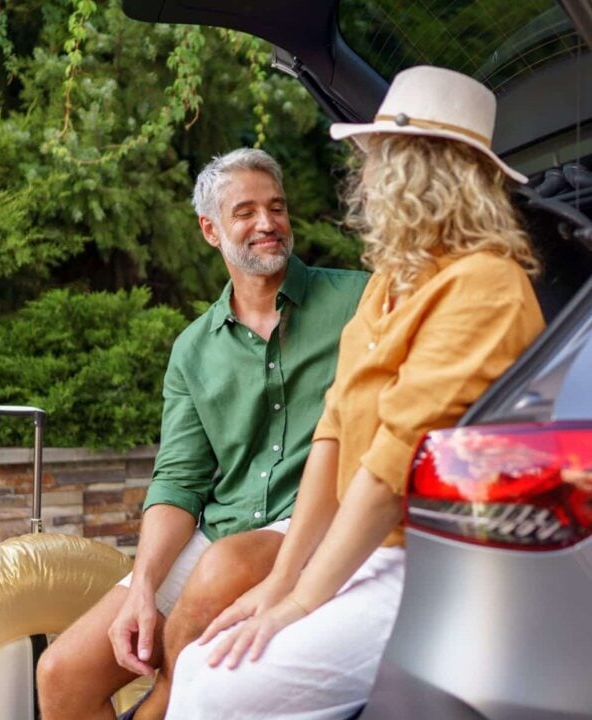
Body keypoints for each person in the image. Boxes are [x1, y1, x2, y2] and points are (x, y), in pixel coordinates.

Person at [163, 65, 546, 719]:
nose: (361, 179)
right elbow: (334, 433)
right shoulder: (388, 284)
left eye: (373, 160)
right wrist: (283, 581)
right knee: (202, 658)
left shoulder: (485, 285)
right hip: (367, 549)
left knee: (219, 688)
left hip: (436, 569)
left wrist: (301, 603)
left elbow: (390, 467)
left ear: (415, 172)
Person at [36, 148, 368, 720]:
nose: (267, 223)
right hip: (223, 532)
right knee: (61, 674)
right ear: (210, 230)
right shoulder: (194, 347)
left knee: (226, 567)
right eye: (245, 212)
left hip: (311, 522)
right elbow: (179, 482)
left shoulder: (359, 300)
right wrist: (142, 586)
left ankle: (163, 702)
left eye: (277, 208)